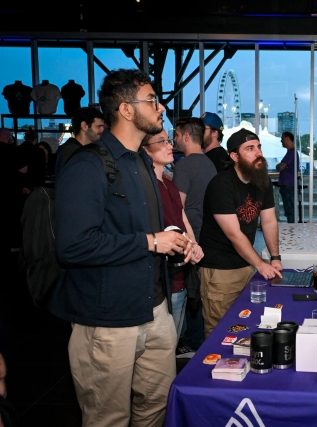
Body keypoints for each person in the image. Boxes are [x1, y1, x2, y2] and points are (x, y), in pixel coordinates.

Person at [50, 69, 192, 427]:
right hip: (108, 321)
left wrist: (173, 241)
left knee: (156, 406)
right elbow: (74, 246)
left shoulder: (143, 163)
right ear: (127, 110)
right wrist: (151, 241)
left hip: (155, 310)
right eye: (152, 100)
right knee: (107, 417)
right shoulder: (87, 165)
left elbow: (140, 231)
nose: (160, 108)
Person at [198, 128, 283, 337]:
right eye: (250, 149)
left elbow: (269, 220)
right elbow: (234, 234)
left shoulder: (261, 181)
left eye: (259, 147)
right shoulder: (221, 185)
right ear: (234, 157)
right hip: (220, 271)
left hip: (246, 266)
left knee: (246, 325)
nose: (258, 153)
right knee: (220, 332)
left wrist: (274, 257)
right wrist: (260, 264)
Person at [141, 130, 204, 338]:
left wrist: (194, 244)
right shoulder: (144, 187)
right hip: (163, 275)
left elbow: (182, 217)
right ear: (145, 150)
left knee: (173, 339)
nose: (170, 146)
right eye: (162, 142)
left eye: (168, 141)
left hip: (181, 272)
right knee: (164, 341)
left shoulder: (169, 183)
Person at [172, 117, 217, 356]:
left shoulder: (184, 165)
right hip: (206, 234)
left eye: (177, 135)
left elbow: (177, 206)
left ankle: (191, 342)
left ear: (186, 137)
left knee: (191, 292)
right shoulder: (209, 164)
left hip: (191, 237)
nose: (174, 140)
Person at [55, 107, 105, 174]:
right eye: (98, 126)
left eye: (102, 127)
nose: (102, 130)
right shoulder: (72, 152)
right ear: (84, 126)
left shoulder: (72, 150)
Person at [276, 131, 299, 223]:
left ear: (287, 139)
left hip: (288, 185)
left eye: (282, 138)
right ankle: (292, 228)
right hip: (288, 185)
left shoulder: (291, 153)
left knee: (290, 209)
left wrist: (279, 166)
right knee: (289, 209)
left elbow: (280, 167)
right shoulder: (291, 152)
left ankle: (292, 230)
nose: (281, 141)